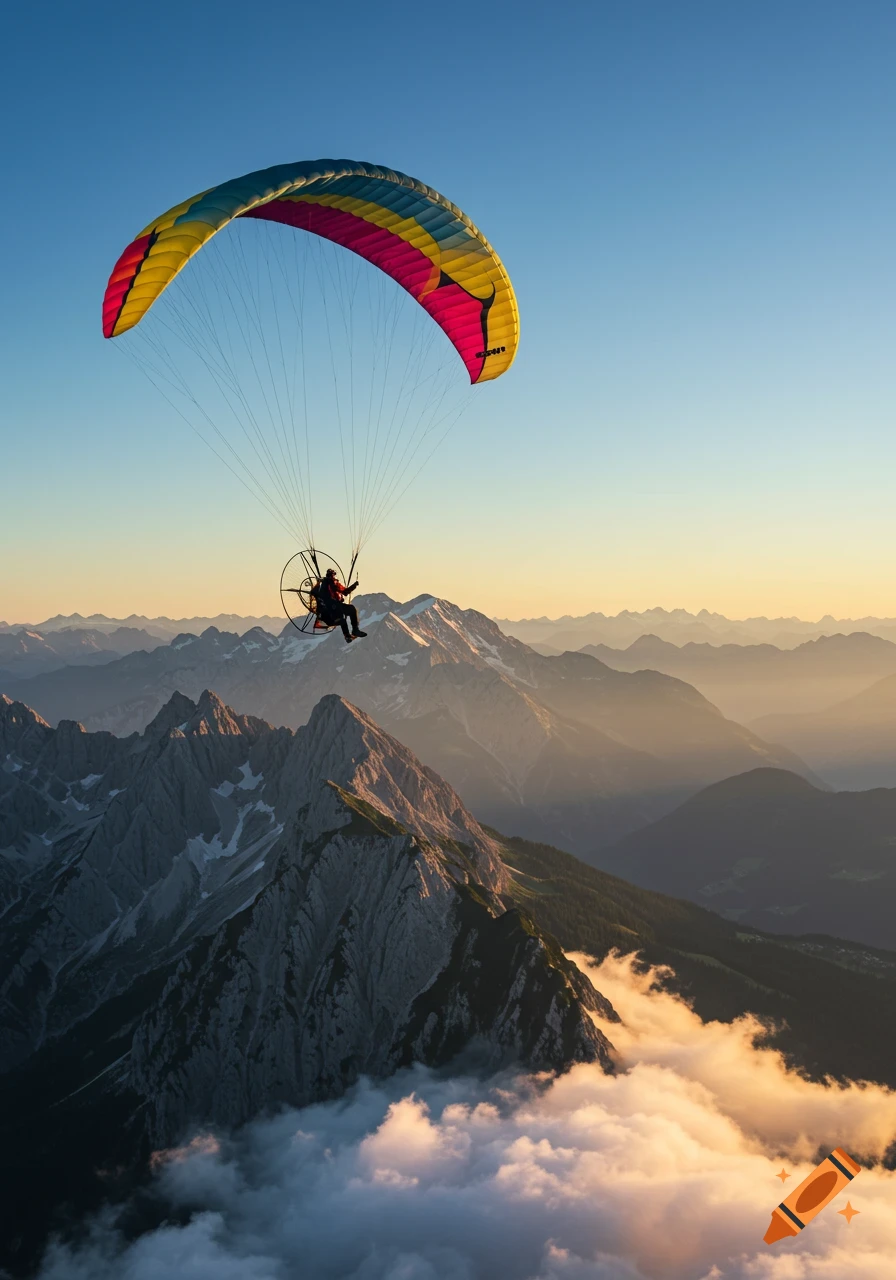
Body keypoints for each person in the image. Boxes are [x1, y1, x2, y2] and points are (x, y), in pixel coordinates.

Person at [319, 568, 366, 643]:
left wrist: (354, 586)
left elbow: (345, 591)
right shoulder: (326, 585)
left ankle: (354, 630)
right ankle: (348, 635)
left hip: (337, 606)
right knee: (342, 618)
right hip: (331, 609)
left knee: (351, 609)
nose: (333, 577)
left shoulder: (334, 583)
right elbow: (324, 597)